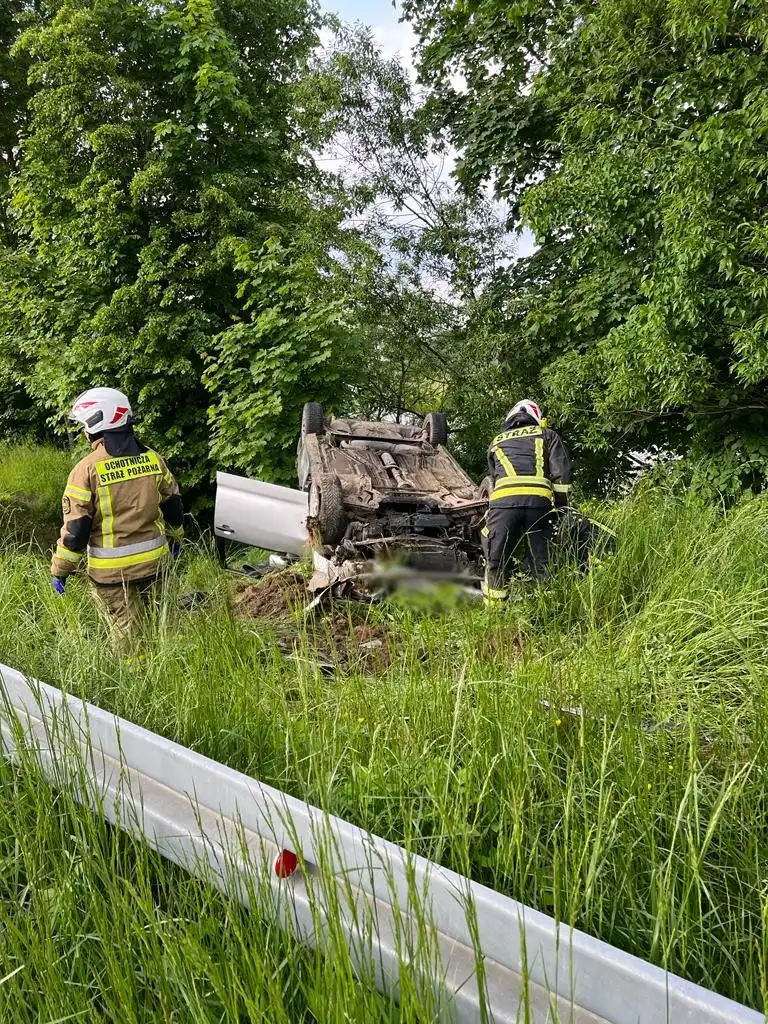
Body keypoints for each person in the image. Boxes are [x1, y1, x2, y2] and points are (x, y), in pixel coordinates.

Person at [50, 387, 184, 645]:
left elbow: (76, 531)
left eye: (85, 425)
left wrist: (60, 570)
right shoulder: (154, 459)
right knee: (164, 629)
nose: (84, 431)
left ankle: (135, 671)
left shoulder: (86, 470)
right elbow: (174, 508)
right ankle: (173, 666)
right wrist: (176, 540)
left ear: (96, 423)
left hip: (112, 575)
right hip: (157, 566)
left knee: (127, 637)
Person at [482, 399, 572, 604]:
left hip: (503, 505)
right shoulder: (547, 434)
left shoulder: (497, 441)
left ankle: (495, 614)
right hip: (538, 504)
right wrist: (561, 507)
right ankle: (546, 609)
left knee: (497, 560)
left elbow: (494, 477)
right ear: (536, 418)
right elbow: (561, 475)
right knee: (543, 560)